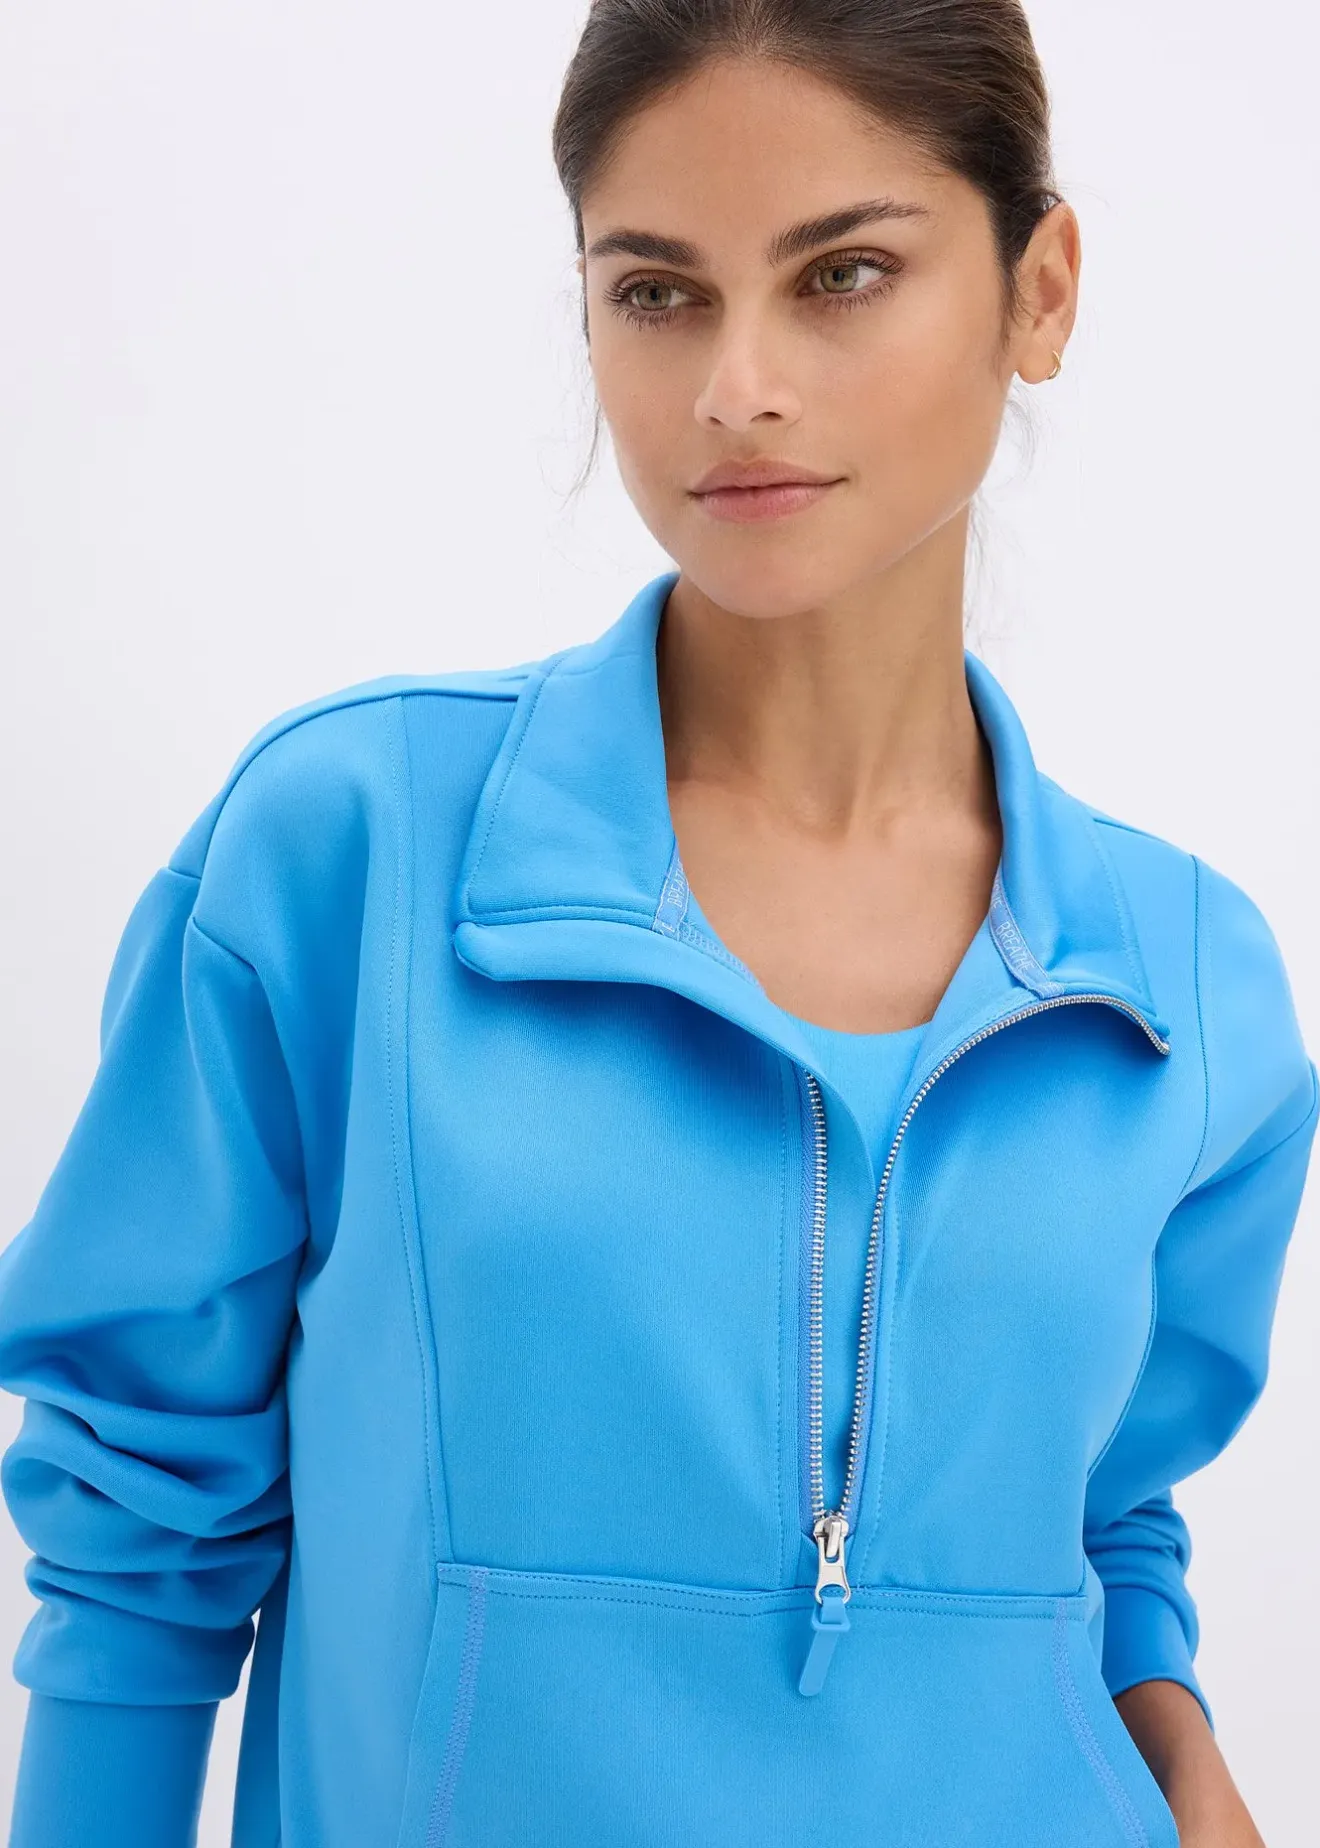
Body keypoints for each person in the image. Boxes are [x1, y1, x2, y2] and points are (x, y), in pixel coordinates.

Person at [0, 2, 1314, 1844]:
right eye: (659, 292)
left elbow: (1098, 1514)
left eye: (841, 274)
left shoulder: (1188, 986)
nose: (735, 387)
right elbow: (137, 1536)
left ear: (1040, 292)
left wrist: (1178, 1745)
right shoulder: (346, 855)